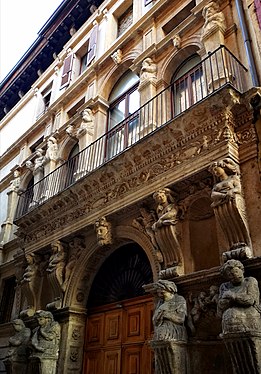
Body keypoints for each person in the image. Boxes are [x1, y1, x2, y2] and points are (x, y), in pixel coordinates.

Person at [217, 259, 261, 335]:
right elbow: (220, 306)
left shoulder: (250, 281)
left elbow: (250, 300)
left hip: (248, 318)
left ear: (242, 270)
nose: (234, 275)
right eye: (230, 275)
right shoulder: (225, 286)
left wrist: (233, 296)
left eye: (236, 272)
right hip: (229, 323)